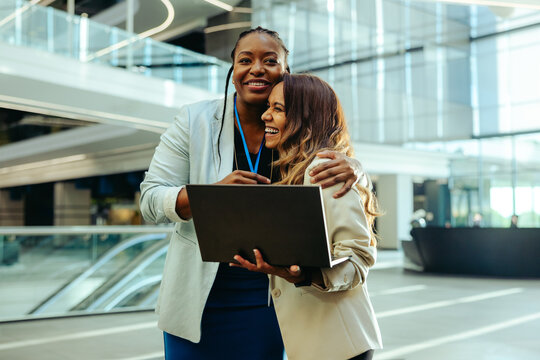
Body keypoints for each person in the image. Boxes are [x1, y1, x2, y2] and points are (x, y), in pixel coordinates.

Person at [139, 27, 366, 359]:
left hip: (275, 302)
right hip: (198, 304)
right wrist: (210, 197)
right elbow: (150, 200)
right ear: (233, 72)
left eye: (270, 60)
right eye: (245, 60)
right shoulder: (194, 121)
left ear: (286, 72)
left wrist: (358, 169)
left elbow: (336, 162)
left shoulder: (298, 130)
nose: (257, 68)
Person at [231, 74, 383, 359]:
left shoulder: (323, 171)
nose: (266, 115)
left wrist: (306, 274)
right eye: (268, 107)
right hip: (320, 342)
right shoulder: (294, 172)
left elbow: (359, 259)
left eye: (278, 109)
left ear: (305, 116)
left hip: (339, 345)